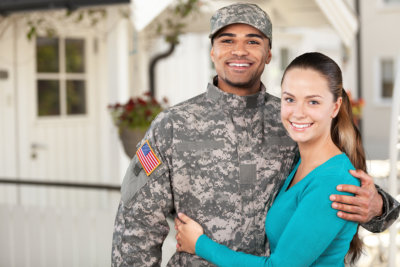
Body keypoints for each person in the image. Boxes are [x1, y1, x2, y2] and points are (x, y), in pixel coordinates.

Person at [112, 3, 400, 267]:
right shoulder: (172, 126)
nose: (239, 51)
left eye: (253, 41)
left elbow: (338, 185)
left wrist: (377, 207)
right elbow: (136, 222)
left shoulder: (293, 119)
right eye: (227, 41)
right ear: (212, 51)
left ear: (269, 53)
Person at [175, 52, 368, 266]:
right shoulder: (303, 164)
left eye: (313, 102)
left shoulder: (333, 182)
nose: (298, 112)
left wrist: (199, 244)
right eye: (290, 99)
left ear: (335, 107)